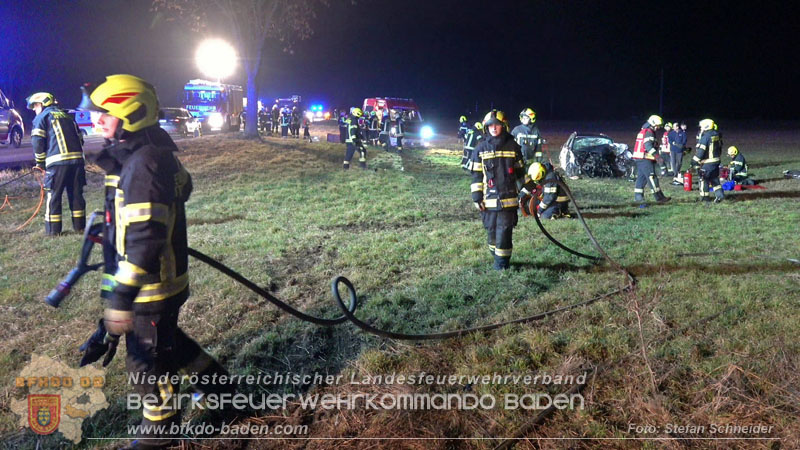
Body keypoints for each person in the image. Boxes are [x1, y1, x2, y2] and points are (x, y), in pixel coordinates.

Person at [76, 74, 233, 449]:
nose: (95, 121)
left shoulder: (145, 165)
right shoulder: (138, 155)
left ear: (130, 113)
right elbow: (108, 163)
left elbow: (146, 240)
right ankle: (225, 394)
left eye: (103, 114)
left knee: (148, 365)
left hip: (151, 286)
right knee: (171, 345)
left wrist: (120, 299)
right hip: (154, 282)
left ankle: (159, 438)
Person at [470, 110, 526, 271]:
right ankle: (497, 257)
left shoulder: (513, 147)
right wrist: (476, 197)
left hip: (508, 200)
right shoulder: (480, 148)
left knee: (504, 231)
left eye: (497, 125)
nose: (494, 128)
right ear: (486, 128)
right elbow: (476, 175)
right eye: (490, 125)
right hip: (488, 201)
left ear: (504, 126)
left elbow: (521, 173)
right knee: (492, 231)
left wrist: (529, 191)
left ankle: (501, 266)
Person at [28, 92, 86, 235]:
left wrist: (40, 162)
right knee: (76, 195)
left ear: (42, 104)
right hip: (77, 162)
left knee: (53, 196)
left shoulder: (42, 117)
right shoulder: (67, 116)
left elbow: (37, 142)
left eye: (35, 106)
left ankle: (53, 231)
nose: (35, 110)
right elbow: (81, 139)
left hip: (56, 163)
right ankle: (80, 227)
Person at [632, 115, 671, 204]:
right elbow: (648, 146)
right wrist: (657, 157)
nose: (658, 128)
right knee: (652, 177)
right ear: (653, 124)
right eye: (657, 126)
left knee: (642, 178)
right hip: (644, 157)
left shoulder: (644, 130)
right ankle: (659, 197)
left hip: (640, 157)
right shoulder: (649, 132)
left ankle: (638, 197)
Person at [691, 118, 724, 202]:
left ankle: (704, 198)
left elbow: (701, 151)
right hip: (716, 160)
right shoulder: (716, 134)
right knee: (714, 178)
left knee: (703, 178)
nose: (701, 128)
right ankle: (720, 195)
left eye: (701, 127)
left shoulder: (706, 136)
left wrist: (694, 161)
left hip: (708, 162)